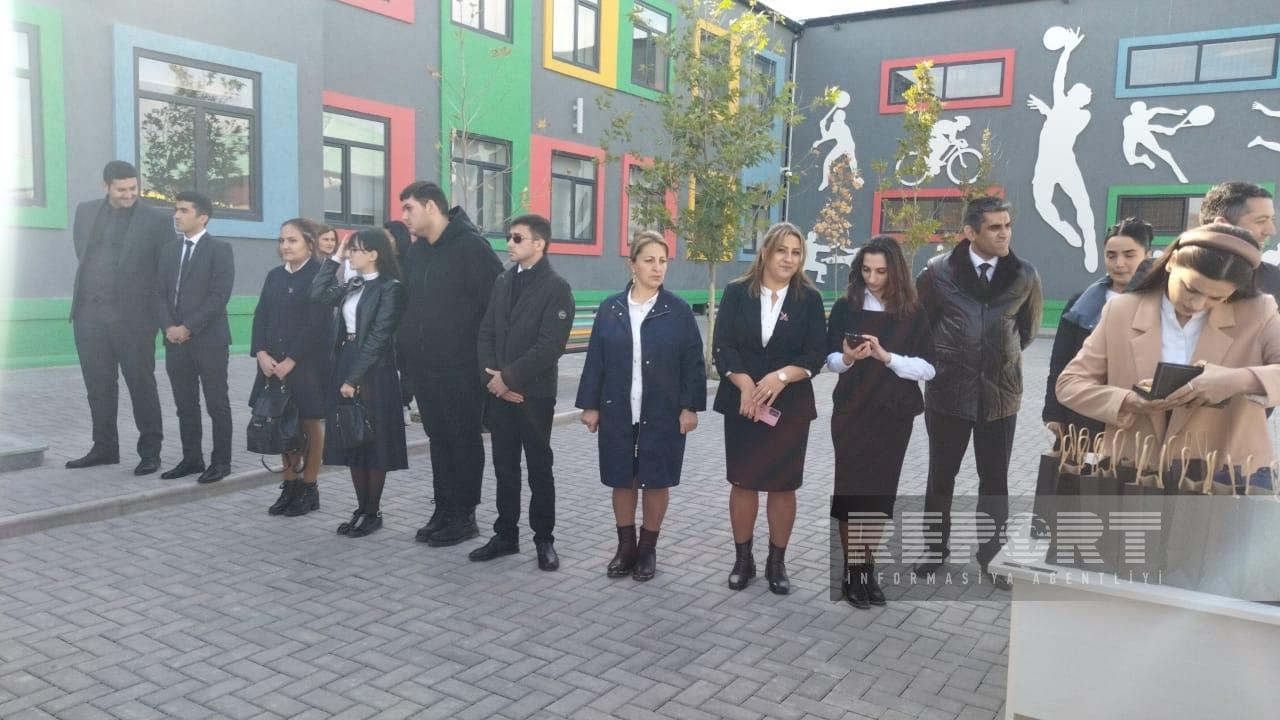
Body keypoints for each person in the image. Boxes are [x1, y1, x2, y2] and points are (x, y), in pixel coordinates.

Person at [1057, 224, 1280, 479]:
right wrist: (1128, 401)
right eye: (1191, 288)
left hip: (1227, 472)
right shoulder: (1122, 310)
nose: (1197, 304)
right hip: (1135, 469)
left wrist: (1233, 380)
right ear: (1172, 261)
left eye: (1216, 298)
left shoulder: (1259, 311)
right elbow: (1069, 384)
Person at [914, 196, 1042, 586]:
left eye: (1007, 225)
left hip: (1000, 396)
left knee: (995, 482)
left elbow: (1027, 331)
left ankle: (991, 557)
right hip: (948, 394)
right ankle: (934, 549)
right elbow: (921, 327)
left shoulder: (1024, 275)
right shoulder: (938, 273)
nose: (1004, 234)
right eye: (994, 227)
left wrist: (997, 357)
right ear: (970, 232)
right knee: (941, 478)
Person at [576, 231, 707, 581]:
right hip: (618, 409)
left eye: (663, 261)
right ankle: (625, 547)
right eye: (649, 260)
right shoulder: (611, 309)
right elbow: (596, 359)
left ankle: (648, 550)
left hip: (663, 410)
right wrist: (590, 405)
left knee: (656, 479)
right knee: (622, 478)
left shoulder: (678, 311)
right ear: (631, 264)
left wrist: (690, 407)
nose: (657, 268)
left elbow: (693, 363)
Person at [712, 221, 826, 595]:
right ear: (765, 252)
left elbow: (815, 354)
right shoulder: (736, 292)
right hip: (743, 404)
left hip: (789, 408)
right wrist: (745, 385)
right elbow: (723, 347)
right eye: (782, 251)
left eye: (796, 253)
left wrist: (782, 377)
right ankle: (742, 561)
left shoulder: (809, 299)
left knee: (782, 487)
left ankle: (777, 564)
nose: (788, 259)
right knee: (743, 483)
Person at [826, 235, 935, 609]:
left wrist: (887, 357)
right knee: (851, 493)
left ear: (896, 272)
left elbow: (928, 367)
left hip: (893, 415)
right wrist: (848, 358)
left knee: (879, 495)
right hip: (851, 413)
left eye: (881, 272)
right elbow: (830, 360)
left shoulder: (913, 312)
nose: (872, 279)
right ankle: (852, 572)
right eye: (866, 270)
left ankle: (866, 567)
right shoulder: (846, 308)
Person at [398, 181, 504, 547]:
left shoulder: (472, 248)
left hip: (462, 369)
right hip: (425, 367)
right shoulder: (416, 253)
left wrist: (488, 364)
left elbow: (496, 307)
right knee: (439, 439)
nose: (404, 216)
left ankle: (464, 516)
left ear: (431, 206)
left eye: (409, 208)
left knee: (463, 439)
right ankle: (444, 510)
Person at [471, 214, 574, 570]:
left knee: (539, 469)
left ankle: (544, 540)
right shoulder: (502, 281)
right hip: (500, 394)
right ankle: (505, 535)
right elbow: (486, 332)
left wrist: (510, 380)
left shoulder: (556, 287)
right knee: (504, 467)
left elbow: (550, 346)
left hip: (534, 396)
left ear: (539, 244)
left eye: (517, 238)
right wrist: (494, 382)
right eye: (509, 237)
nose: (509, 244)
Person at [67, 160, 173, 474]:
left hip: (134, 320)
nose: (129, 195)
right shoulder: (86, 211)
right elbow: (82, 253)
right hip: (89, 315)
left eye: (133, 188)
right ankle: (104, 448)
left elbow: (165, 271)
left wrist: (161, 318)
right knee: (98, 386)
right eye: (121, 189)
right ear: (106, 187)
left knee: (141, 384)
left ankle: (150, 452)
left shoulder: (156, 220)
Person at [310, 228, 408, 537]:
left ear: (374, 254)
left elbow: (379, 337)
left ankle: (372, 511)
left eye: (355, 250)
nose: (350, 254)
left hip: (373, 368)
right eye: (349, 250)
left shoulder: (391, 288)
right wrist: (335, 258)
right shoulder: (353, 283)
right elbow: (317, 294)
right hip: (346, 358)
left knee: (373, 439)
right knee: (351, 435)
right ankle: (360, 508)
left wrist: (353, 378)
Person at [251, 218, 332, 517]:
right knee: (283, 423)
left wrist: (292, 359)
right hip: (272, 365)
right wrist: (261, 353)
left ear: (310, 243)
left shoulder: (320, 275)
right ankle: (290, 485)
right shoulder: (274, 275)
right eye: (282, 240)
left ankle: (309, 487)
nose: (285, 246)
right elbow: (261, 315)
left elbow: (318, 324)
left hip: (307, 365)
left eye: (292, 240)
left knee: (309, 423)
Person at [1044, 218, 1154, 436]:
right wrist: (1053, 412)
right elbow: (1061, 362)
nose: (1119, 263)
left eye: (1129, 255)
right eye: (1111, 255)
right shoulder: (1082, 303)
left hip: (1137, 416)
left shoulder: (1159, 303)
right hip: (1084, 413)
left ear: (1147, 255)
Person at [154, 192, 235, 484]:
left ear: (202, 217)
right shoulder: (169, 250)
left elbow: (218, 297)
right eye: (176, 210)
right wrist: (168, 327)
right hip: (175, 341)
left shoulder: (220, 249)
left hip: (209, 341)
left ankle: (221, 462)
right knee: (185, 405)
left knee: (216, 403)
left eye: (184, 210)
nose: (177, 215)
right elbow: (159, 294)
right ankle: (192, 459)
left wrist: (187, 327)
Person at [1027, 26, 1098, 271]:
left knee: (1082, 203)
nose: (1069, 93)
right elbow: (1059, 85)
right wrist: (1047, 111)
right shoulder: (1060, 109)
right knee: (1042, 204)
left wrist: (1067, 51)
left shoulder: (1082, 115)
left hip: (1064, 163)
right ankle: (1065, 229)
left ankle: (1090, 244)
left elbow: (1059, 80)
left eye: (1079, 94)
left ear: (1081, 99)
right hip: (1045, 164)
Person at [1199, 182, 1279, 308]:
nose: (1271, 231)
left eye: (1271, 220)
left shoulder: (1274, 279)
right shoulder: (1176, 273)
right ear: (1222, 226)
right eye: (1261, 221)